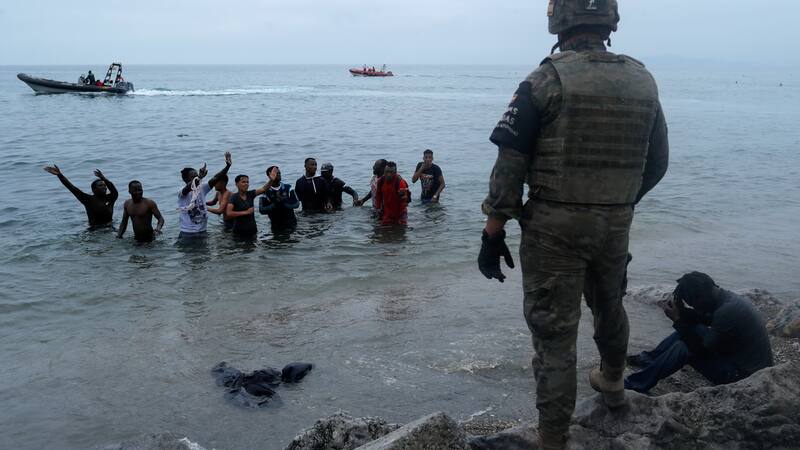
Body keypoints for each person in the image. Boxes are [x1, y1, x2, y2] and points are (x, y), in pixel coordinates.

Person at [477, 1, 669, 448]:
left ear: (558, 22)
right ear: (609, 22)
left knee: (555, 336)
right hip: (615, 221)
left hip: (554, 228)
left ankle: (553, 438)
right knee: (610, 304)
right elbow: (657, 162)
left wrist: (493, 230)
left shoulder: (545, 79)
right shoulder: (642, 80)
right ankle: (614, 383)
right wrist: (619, 201)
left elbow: (510, 164)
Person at [625, 272, 774, 393]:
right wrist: (682, 312)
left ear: (701, 297)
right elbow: (705, 318)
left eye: (694, 304)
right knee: (691, 329)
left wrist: (677, 320)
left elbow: (700, 350)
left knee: (684, 347)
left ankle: (635, 384)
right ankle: (648, 360)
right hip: (744, 363)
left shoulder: (726, 312)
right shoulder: (727, 299)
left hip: (745, 378)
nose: (695, 308)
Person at [177, 151, 232, 239]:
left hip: (203, 232)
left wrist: (227, 166)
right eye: (193, 177)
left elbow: (216, 178)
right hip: (188, 233)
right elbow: (188, 187)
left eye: (197, 176)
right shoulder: (182, 192)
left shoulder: (202, 188)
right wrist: (199, 177)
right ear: (185, 179)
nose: (196, 178)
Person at [44, 165, 118, 228]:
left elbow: (113, 189)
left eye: (105, 185)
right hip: (94, 229)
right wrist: (60, 175)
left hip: (109, 227)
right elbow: (72, 188)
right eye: (100, 185)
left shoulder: (111, 198)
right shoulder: (88, 199)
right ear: (94, 189)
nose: (104, 187)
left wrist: (103, 178)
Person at [225, 174, 269, 239]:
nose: (246, 184)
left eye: (247, 182)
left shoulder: (250, 194)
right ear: (237, 184)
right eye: (243, 182)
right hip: (239, 232)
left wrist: (271, 180)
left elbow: (263, 189)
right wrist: (246, 212)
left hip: (252, 231)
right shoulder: (234, 197)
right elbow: (228, 213)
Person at [259, 166, 300, 234]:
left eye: (279, 173)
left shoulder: (288, 187)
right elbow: (262, 210)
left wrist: (283, 201)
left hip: (291, 223)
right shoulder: (265, 191)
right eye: (276, 173)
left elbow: (296, 204)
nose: (278, 174)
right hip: (276, 225)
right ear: (269, 176)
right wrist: (275, 204)